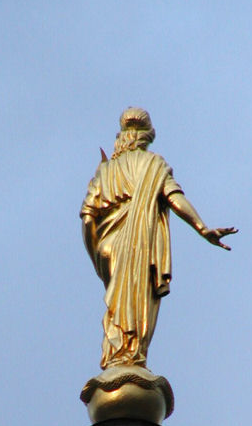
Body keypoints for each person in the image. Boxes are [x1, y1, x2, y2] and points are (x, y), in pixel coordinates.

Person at [80, 107, 237, 370]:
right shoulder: (153, 165)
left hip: (107, 248)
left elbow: (87, 219)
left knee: (118, 307)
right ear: (147, 135)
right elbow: (174, 198)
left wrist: (97, 256)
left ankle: (119, 357)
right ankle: (130, 356)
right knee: (136, 311)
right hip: (139, 248)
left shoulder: (104, 172)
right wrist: (202, 228)